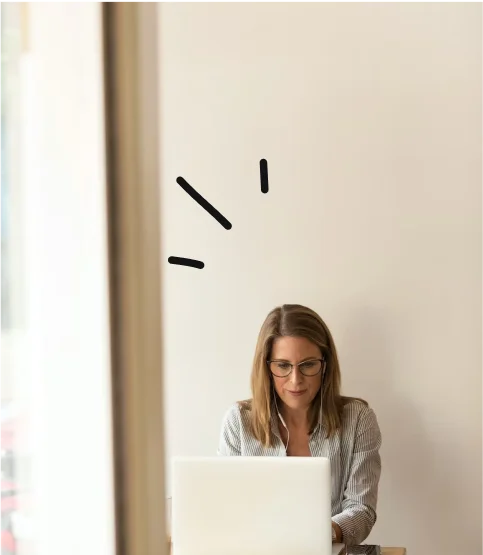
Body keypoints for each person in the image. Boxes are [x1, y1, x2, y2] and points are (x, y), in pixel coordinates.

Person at [217, 304, 382, 547]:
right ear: (267, 367)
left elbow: (361, 510)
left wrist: (318, 534)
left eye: (308, 365)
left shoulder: (358, 419)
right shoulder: (238, 421)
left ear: (325, 365)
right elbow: (227, 508)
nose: (296, 380)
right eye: (283, 365)